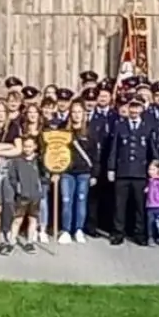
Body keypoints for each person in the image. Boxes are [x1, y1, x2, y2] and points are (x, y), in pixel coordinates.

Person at [107, 97, 153, 247]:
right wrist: (111, 168)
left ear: (142, 109)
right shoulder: (120, 126)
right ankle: (118, 233)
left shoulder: (147, 126)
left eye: (137, 107)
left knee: (140, 206)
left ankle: (139, 233)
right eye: (131, 107)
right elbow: (113, 149)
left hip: (140, 172)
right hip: (122, 171)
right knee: (119, 205)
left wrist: (155, 168)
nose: (134, 111)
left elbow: (152, 150)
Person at [58, 102, 94, 244]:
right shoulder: (63, 130)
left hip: (84, 172)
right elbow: (57, 151)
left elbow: (94, 153)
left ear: (84, 114)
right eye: (73, 112)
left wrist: (95, 173)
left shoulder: (89, 131)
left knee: (81, 201)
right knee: (66, 201)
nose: (76, 115)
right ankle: (66, 230)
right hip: (67, 172)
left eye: (79, 112)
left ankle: (79, 229)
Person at [7, 136, 45, 253]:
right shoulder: (17, 161)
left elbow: (44, 175)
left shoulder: (39, 161)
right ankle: (11, 242)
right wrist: (17, 187)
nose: (27, 149)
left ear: (35, 147)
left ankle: (30, 242)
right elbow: (12, 177)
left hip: (35, 195)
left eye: (30, 146)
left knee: (33, 219)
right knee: (17, 219)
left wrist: (42, 185)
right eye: (25, 146)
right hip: (22, 195)